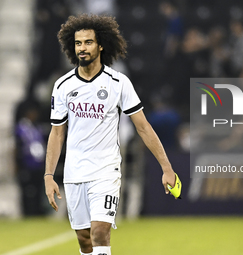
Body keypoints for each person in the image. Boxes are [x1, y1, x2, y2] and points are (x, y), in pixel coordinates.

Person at [44, 14, 178, 255]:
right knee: (84, 240)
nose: (82, 48)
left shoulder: (118, 83)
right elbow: (56, 133)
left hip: (106, 171)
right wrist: (48, 174)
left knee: (99, 232)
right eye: (78, 43)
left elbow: (143, 127)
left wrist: (166, 168)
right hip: (74, 172)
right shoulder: (63, 85)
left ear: (101, 44)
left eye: (88, 42)